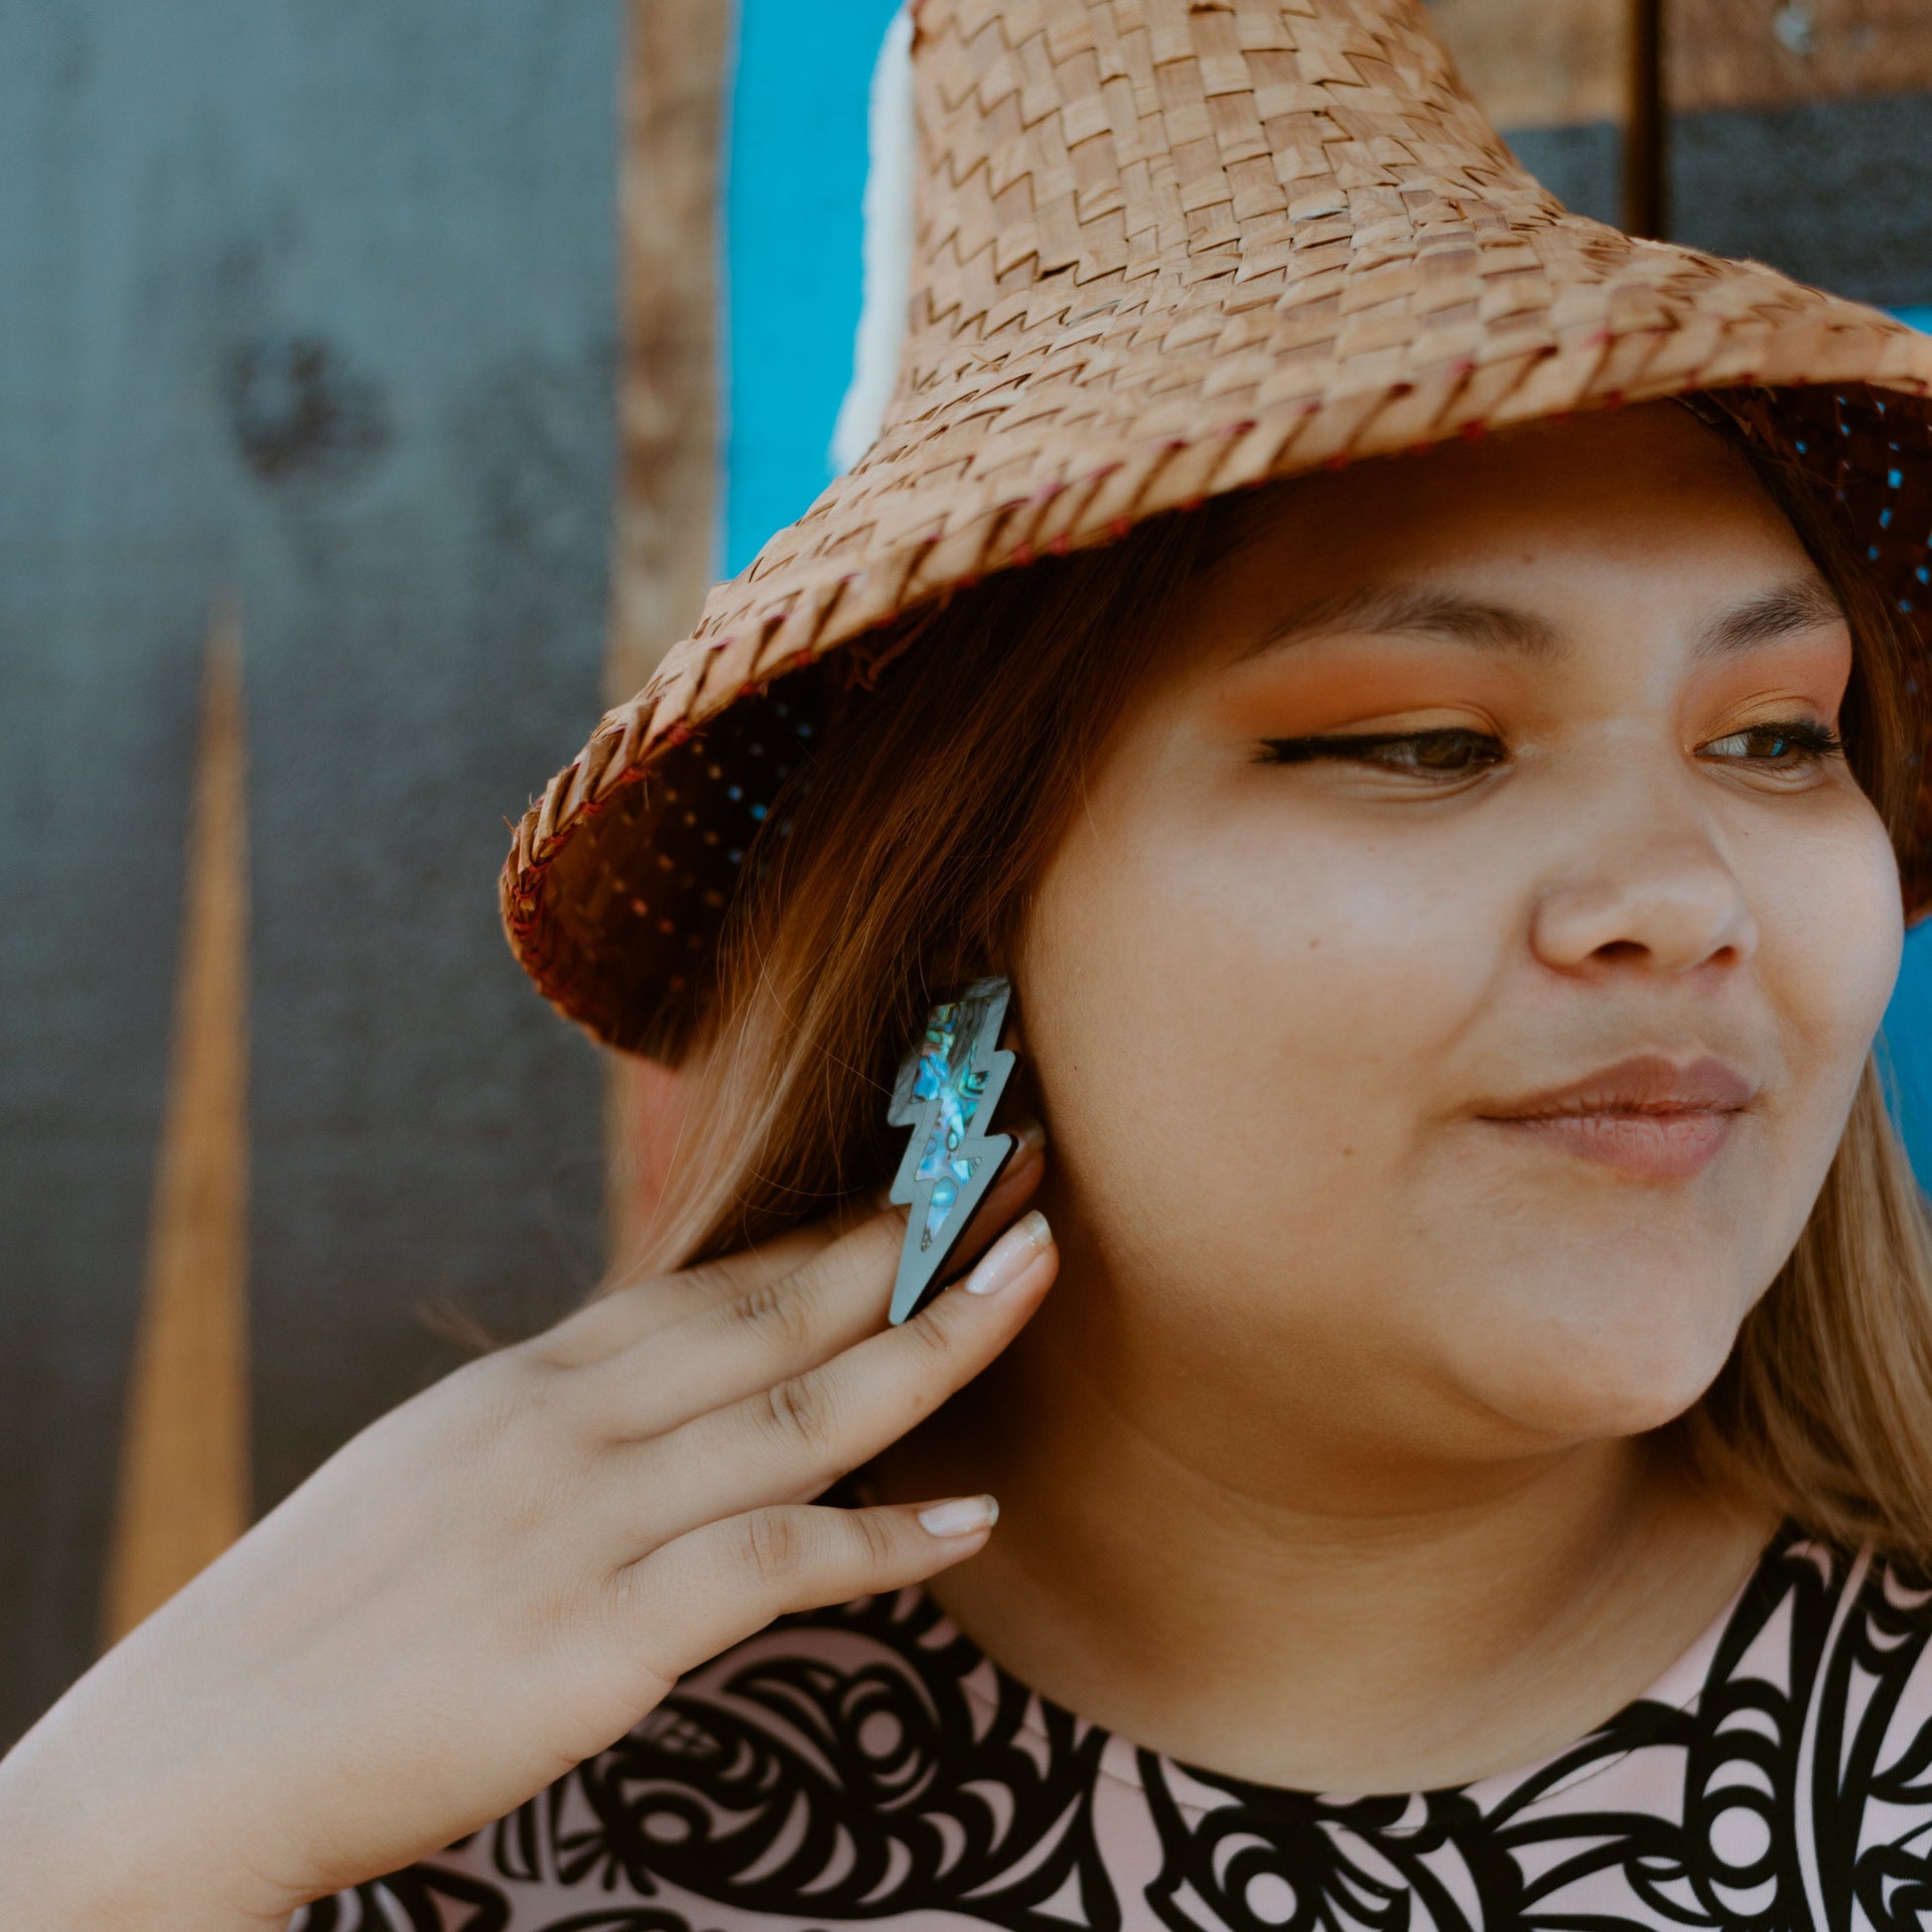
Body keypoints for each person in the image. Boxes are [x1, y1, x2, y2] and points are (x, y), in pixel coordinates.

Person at [8, 0, 1932, 1926]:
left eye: (1773, 735)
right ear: (963, 911)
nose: (1683, 899)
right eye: (1424, 740)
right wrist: (90, 1839)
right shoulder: (414, 1818)